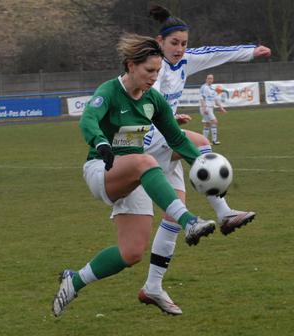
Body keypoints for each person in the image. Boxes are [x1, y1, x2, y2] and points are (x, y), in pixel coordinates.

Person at [51, 33, 217, 317]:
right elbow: (88, 120)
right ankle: (188, 221)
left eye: (158, 71)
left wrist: (202, 162)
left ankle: (74, 280)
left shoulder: (153, 99)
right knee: (146, 160)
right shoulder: (109, 91)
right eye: (148, 71)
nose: (154, 77)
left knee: (131, 253)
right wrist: (100, 142)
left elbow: (176, 139)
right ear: (130, 65)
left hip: (136, 174)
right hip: (101, 170)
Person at [138, 4, 272, 315]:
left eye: (184, 43)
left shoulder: (184, 61)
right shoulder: (150, 70)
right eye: (174, 43)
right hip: (146, 144)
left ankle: (153, 286)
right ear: (160, 42)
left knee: (173, 216)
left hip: (163, 137)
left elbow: (217, 53)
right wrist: (166, 119)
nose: (180, 49)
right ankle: (223, 213)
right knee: (200, 145)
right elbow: (141, 103)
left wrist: (251, 51)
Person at [200, 73, 227, 145]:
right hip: (206, 108)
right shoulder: (204, 87)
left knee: (207, 124)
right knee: (214, 122)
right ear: (206, 79)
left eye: (211, 78)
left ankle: (204, 142)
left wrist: (221, 108)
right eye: (209, 78)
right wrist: (204, 108)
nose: (210, 80)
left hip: (210, 108)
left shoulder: (212, 88)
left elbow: (216, 100)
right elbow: (202, 98)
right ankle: (214, 141)